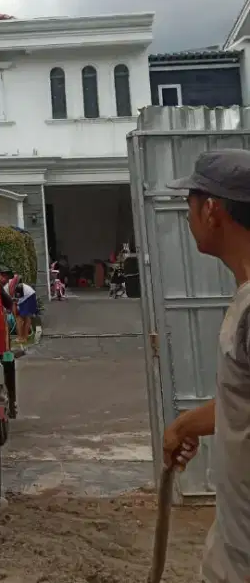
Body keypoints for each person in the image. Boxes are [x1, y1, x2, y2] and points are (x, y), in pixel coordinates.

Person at [161, 149, 250, 582]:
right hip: (235, 541)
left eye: (190, 203)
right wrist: (186, 425)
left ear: (212, 210)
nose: (187, 214)